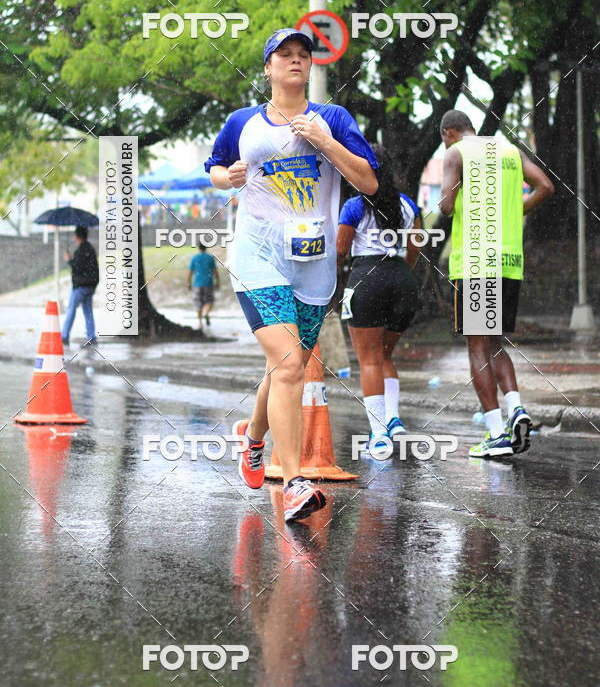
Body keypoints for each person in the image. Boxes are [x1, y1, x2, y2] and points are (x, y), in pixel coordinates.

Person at [205, 27, 378, 522]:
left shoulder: (333, 119)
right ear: (268, 67)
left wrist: (326, 143)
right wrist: (228, 177)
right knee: (287, 367)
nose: (296, 61)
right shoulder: (243, 121)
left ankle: (253, 440)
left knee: (286, 368)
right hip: (258, 258)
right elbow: (215, 168)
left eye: (304, 54)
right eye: (285, 55)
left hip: (314, 263)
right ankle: (296, 482)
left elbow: (367, 180)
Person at [439, 110, 554, 458]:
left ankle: (495, 432)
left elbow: (445, 206)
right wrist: (516, 209)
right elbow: (546, 186)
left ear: (449, 133)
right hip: (508, 262)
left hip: (474, 262)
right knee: (496, 343)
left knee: (477, 348)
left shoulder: (455, 153)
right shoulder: (510, 151)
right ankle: (516, 409)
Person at [337, 145, 421, 453]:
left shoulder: (355, 206)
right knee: (385, 356)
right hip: (403, 281)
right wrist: (400, 273)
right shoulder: (408, 205)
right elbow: (415, 248)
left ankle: (378, 434)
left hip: (366, 278)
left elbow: (341, 250)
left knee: (369, 360)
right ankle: (394, 418)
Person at [61, 225, 99, 347]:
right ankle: (91, 336)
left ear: (77, 236)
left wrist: (68, 260)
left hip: (80, 286)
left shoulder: (80, 250)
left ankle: (64, 335)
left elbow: (77, 267)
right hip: (91, 285)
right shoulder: (90, 249)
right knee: (88, 311)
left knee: (71, 308)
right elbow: (87, 266)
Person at [187, 242, 220, 330]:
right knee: (209, 301)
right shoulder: (210, 258)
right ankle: (206, 313)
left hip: (197, 284)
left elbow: (190, 272)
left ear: (199, 248)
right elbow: (215, 271)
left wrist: (188, 283)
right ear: (206, 248)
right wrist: (218, 282)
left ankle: (200, 323)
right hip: (208, 283)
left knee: (198, 303)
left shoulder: (194, 258)